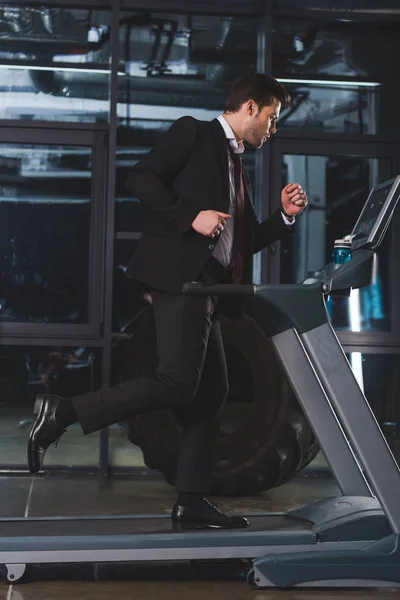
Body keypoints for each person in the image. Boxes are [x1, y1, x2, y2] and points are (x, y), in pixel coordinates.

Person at [28, 73, 308, 530]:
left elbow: (243, 242)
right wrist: (189, 216)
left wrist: (284, 218)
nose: (273, 129)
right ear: (251, 107)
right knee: (178, 382)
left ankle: (191, 503)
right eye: (272, 119)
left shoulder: (238, 168)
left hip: (211, 288)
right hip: (183, 280)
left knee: (210, 392)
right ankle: (62, 412)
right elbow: (141, 177)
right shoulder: (194, 133)